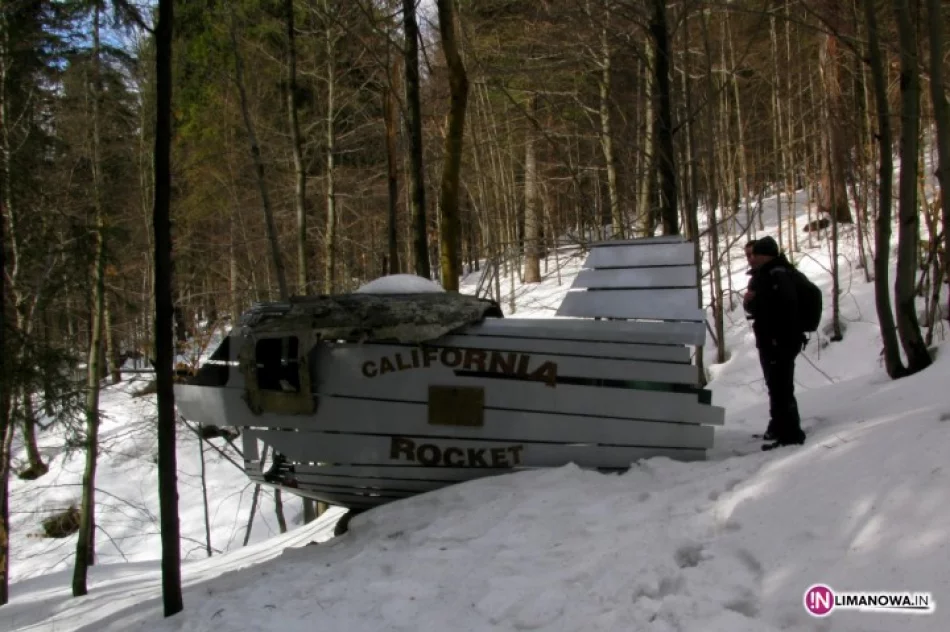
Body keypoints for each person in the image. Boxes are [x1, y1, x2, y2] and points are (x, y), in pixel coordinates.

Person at [742, 236, 807, 449]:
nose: (752, 259)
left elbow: (782, 307)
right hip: (774, 339)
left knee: (781, 386)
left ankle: (791, 435)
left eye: (755, 254)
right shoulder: (772, 273)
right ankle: (781, 429)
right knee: (776, 385)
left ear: (765, 255)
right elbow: (764, 308)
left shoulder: (776, 275)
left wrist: (756, 303)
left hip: (779, 340)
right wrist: (751, 303)